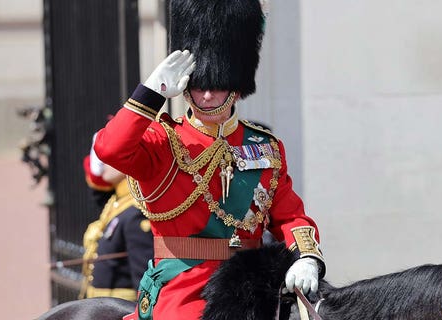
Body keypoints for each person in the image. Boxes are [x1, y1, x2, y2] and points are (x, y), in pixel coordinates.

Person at [93, 0, 326, 318]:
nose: (205, 96)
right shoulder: (164, 141)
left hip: (253, 289)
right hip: (184, 291)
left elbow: (289, 216)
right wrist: (151, 92)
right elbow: (110, 149)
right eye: (199, 85)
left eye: (216, 86)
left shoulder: (265, 147)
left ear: (237, 86)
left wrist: (307, 256)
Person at [79, 138, 154, 301]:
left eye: (109, 156)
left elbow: (144, 282)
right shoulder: (116, 203)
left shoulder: (136, 211)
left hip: (120, 311)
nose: (101, 163)